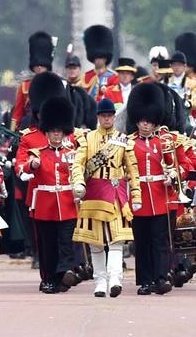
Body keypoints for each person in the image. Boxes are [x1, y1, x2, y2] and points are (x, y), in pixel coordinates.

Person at [71, 97, 139, 298]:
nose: (107, 119)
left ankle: (115, 279)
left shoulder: (123, 140)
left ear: (114, 116)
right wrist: (78, 182)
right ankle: (100, 281)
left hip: (116, 195)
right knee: (96, 243)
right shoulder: (87, 139)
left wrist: (135, 193)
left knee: (116, 241)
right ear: (98, 117)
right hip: (93, 193)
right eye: (103, 115)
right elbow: (78, 164)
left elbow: (132, 170)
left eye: (110, 115)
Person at [21, 96, 82, 294]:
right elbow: (22, 166)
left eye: (59, 132)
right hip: (45, 205)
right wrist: (31, 165)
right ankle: (48, 278)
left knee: (66, 242)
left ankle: (64, 273)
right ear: (47, 132)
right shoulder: (38, 152)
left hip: (67, 203)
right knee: (47, 245)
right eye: (53, 132)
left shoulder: (72, 151)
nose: (56, 135)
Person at [126, 82, 176, 295]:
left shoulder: (164, 141)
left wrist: (172, 175)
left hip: (159, 196)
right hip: (138, 197)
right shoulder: (128, 142)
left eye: (149, 121)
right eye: (142, 121)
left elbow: (174, 166)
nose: (145, 125)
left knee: (160, 240)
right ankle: (145, 280)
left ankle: (161, 277)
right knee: (142, 241)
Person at [9, 31, 57, 128]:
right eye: (36, 64)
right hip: (29, 128)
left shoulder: (56, 83)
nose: (39, 67)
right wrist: (12, 133)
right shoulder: (25, 86)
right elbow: (18, 113)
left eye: (42, 64)